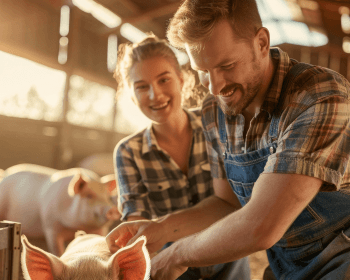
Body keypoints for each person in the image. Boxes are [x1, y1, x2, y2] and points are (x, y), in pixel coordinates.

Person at [106, 1, 350, 279]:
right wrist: (160, 228)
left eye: (226, 65)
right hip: (287, 267)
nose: (215, 86)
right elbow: (227, 204)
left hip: (342, 256)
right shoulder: (215, 111)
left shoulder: (319, 96)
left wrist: (176, 255)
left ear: (261, 42)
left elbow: (262, 226)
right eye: (203, 70)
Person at [111, 35, 251, 279]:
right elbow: (138, 226)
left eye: (164, 79)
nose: (155, 94)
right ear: (132, 95)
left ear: (182, 80)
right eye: (142, 86)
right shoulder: (128, 152)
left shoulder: (217, 123)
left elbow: (232, 204)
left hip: (230, 261)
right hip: (171, 270)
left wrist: (160, 228)